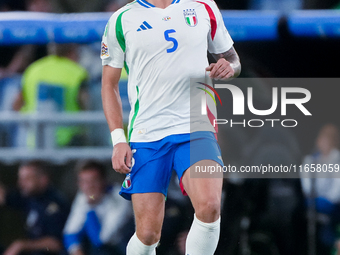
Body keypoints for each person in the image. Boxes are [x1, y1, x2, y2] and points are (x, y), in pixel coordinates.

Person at [101, 0, 241, 253]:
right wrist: (118, 139)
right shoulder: (121, 19)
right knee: (148, 233)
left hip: (197, 124)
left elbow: (232, 58)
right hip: (148, 132)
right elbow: (109, 85)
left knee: (209, 206)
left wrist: (229, 67)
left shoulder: (204, 6)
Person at [12, 43, 88, 147]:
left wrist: (30, 123)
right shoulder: (78, 72)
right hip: (70, 141)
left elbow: (16, 105)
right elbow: (86, 105)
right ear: (73, 51)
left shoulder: (32, 70)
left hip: (37, 141)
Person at [63, 160, 133, 255]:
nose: (89, 186)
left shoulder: (120, 198)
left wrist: (90, 208)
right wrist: (76, 251)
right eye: (84, 182)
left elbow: (102, 240)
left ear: (104, 181)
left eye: (93, 181)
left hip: (120, 248)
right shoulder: (83, 196)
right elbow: (70, 232)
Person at [0, 160, 69, 255]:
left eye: (27, 179)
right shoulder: (29, 196)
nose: (20, 183)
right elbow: (3, 196)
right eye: (20, 178)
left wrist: (21, 245)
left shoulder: (55, 205)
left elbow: (56, 244)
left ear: (43, 180)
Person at [301, 124, 340, 255]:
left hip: (333, 203)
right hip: (314, 201)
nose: (323, 143)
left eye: (327, 139)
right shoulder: (310, 160)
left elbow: (336, 191)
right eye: (321, 139)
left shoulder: (337, 159)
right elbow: (307, 187)